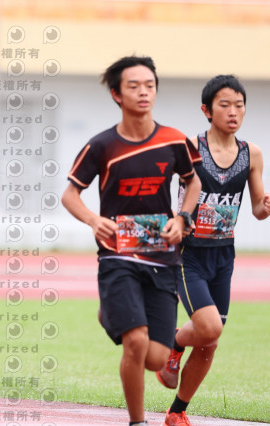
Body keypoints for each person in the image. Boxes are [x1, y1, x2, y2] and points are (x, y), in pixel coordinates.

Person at [61, 55, 201, 426]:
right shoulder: (101, 145)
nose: (143, 92)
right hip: (117, 256)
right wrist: (94, 220)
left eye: (149, 85)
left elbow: (193, 182)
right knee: (135, 341)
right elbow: (70, 194)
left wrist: (182, 218)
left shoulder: (174, 140)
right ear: (116, 94)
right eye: (134, 86)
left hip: (162, 258)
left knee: (155, 358)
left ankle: (110, 311)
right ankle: (138, 421)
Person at [156, 75, 270, 426]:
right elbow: (159, 189)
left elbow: (257, 209)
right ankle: (173, 343)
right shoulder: (189, 148)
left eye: (239, 105)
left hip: (223, 255)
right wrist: (171, 220)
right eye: (225, 105)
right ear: (207, 110)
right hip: (188, 253)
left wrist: (266, 206)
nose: (233, 112)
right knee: (209, 328)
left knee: (210, 342)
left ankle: (177, 412)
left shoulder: (252, 154)